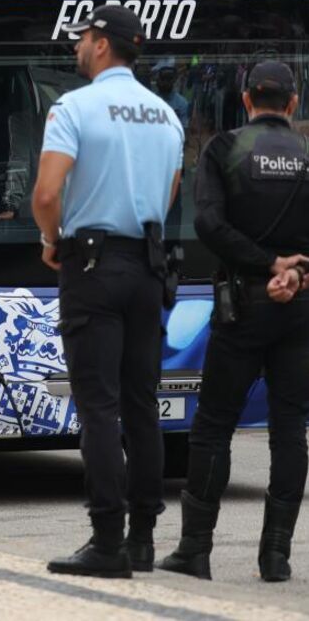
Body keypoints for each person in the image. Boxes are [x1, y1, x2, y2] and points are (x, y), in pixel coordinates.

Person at [32, 5, 183, 578]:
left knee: (98, 405)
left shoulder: (74, 107)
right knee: (142, 405)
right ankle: (142, 538)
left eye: (83, 39)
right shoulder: (166, 116)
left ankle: (106, 541)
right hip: (148, 267)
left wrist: (53, 239)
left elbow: (47, 194)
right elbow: (169, 193)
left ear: (101, 45)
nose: (77, 48)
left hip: (92, 267)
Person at [160, 61, 309, 582]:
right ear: (293, 103)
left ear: (246, 100)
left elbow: (207, 222)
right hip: (300, 308)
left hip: (241, 306)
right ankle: (276, 556)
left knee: (213, 426)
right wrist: (294, 271)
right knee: (290, 429)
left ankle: (194, 550)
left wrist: (266, 265)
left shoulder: (224, 149)